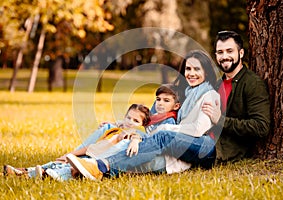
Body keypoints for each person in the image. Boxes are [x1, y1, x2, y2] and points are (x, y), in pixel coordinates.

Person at [66, 49, 221, 180]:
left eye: (197, 69)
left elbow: (197, 130)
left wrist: (165, 128)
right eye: (188, 69)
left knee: (161, 136)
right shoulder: (185, 93)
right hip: (180, 142)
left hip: (204, 147)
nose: (191, 73)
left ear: (206, 72)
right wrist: (123, 123)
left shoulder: (209, 95)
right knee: (138, 143)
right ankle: (78, 165)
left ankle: (102, 165)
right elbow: (153, 119)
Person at [3, 103, 151, 180]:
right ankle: (23, 171)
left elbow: (136, 135)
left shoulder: (135, 133)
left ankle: (41, 174)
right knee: (60, 162)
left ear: (142, 124)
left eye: (136, 120)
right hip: (91, 154)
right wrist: (112, 123)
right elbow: (120, 124)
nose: (130, 122)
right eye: (128, 118)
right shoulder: (118, 128)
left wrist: (135, 141)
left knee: (66, 167)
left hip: (97, 162)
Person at [202, 30, 270, 162]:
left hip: (220, 150)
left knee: (166, 138)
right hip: (204, 139)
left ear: (241, 53)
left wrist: (220, 120)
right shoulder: (217, 85)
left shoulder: (252, 83)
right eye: (220, 52)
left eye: (229, 51)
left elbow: (261, 127)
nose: (224, 56)